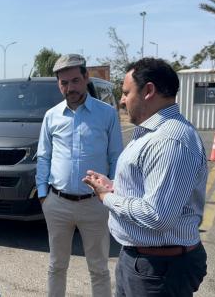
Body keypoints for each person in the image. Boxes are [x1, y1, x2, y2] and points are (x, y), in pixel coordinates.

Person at [83, 58, 208, 297]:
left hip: (159, 267)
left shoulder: (170, 140)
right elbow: (147, 188)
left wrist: (108, 198)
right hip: (144, 259)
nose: (121, 100)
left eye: (126, 92)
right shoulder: (153, 133)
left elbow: (158, 216)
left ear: (148, 91)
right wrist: (115, 188)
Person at [36, 54, 123, 297]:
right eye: (64, 83)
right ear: (58, 84)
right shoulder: (51, 116)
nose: (70, 88)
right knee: (56, 265)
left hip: (94, 204)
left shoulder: (106, 114)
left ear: (86, 77)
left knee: (98, 268)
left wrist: (111, 196)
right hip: (58, 203)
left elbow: (116, 156)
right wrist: (44, 196)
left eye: (75, 80)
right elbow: (43, 157)